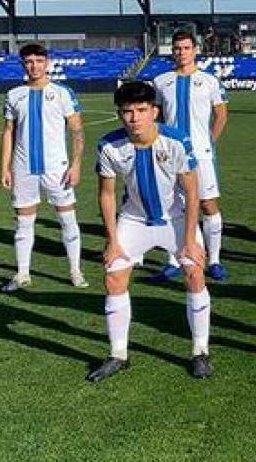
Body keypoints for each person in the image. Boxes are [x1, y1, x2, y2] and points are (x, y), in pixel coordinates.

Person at [86, 81, 212, 382]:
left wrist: (190, 239)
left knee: (194, 272)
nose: (134, 118)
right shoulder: (109, 146)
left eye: (141, 110)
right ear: (120, 114)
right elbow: (106, 195)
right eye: (127, 112)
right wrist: (112, 241)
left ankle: (200, 351)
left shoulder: (176, 141)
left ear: (154, 112)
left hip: (175, 218)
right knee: (114, 277)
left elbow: (192, 192)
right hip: (133, 219)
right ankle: (118, 355)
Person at [0, 43, 87, 292]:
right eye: (29, 62)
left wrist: (76, 164)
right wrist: (5, 167)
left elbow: (77, 131)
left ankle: (75, 270)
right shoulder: (14, 95)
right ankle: (22, 273)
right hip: (24, 167)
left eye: (39, 61)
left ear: (47, 63)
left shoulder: (62, 93)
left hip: (57, 167)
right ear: (23, 65)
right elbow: (8, 132)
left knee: (67, 218)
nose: (34, 66)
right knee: (23, 222)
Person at [149, 31, 231, 282]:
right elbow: (156, 117)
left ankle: (214, 260)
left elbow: (221, 115)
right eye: (177, 48)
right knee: (173, 207)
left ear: (195, 50)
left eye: (186, 48)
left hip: (201, 154)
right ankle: (174, 260)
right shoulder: (161, 81)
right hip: (170, 155)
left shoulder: (209, 81)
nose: (181, 52)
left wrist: (209, 142)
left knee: (208, 205)